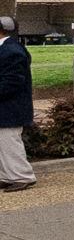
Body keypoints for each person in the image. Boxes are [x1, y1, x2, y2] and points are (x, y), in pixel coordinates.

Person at [0, 14, 35, 193]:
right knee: (3, 144)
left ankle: (22, 176)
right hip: (7, 107)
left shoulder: (11, 50)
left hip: (11, 107)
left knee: (9, 143)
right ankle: (7, 176)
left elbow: (12, 81)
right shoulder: (7, 48)